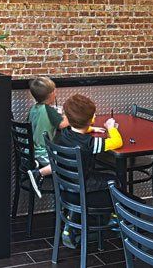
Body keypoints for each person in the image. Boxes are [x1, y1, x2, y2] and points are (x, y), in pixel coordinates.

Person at [52, 94, 123, 248]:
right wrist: (111, 128)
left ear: (68, 119)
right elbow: (118, 142)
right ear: (92, 118)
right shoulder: (90, 143)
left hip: (66, 185)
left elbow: (78, 129)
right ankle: (115, 218)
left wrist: (90, 128)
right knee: (115, 179)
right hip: (84, 185)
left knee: (102, 176)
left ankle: (71, 223)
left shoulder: (63, 135)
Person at [26, 77, 68, 198]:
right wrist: (72, 115)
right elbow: (63, 125)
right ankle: (38, 173)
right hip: (43, 154)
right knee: (69, 163)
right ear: (51, 94)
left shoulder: (33, 109)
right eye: (55, 90)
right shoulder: (49, 110)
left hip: (30, 152)